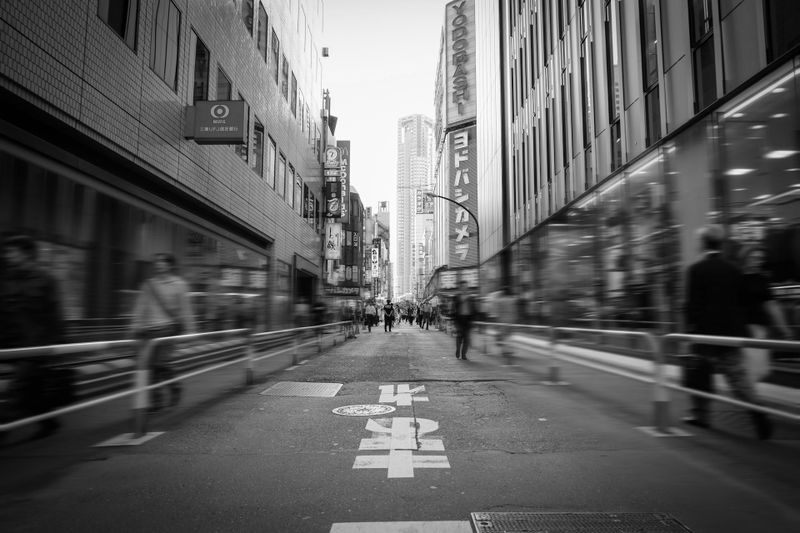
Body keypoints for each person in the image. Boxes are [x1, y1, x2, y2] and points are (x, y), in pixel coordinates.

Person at [683, 225, 772, 439]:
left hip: (705, 334)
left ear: (703, 244)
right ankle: (758, 415)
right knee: (738, 379)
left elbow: (692, 305)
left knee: (699, 375)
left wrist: (689, 331)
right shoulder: (734, 270)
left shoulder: (696, 270)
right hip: (730, 333)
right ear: (721, 244)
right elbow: (742, 302)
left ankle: (701, 415)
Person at [0, 234, 66, 439]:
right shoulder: (6, 279)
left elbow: (55, 314)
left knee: (18, 388)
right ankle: (49, 421)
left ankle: (3, 428)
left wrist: (56, 347)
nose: (7, 255)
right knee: (32, 389)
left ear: (27, 253)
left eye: (12, 251)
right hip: (9, 342)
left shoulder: (46, 279)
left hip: (35, 345)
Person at [130, 253, 196, 412]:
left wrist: (191, 331)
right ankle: (156, 401)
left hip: (168, 328)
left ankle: (174, 387)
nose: (159, 264)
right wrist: (134, 326)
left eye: (162, 262)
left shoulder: (179, 284)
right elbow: (140, 307)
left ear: (170, 265)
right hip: (148, 330)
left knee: (161, 363)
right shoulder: (149, 285)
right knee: (150, 366)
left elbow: (186, 309)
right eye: (157, 262)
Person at [740, 245, 793, 386]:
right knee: (753, 366)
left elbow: (772, 305)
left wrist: (784, 327)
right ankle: (750, 401)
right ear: (745, 258)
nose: (758, 261)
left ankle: (749, 397)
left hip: (759, 327)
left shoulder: (762, 280)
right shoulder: (738, 278)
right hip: (744, 328)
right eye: (755, 257)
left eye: (760, 258)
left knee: (761, 369)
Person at [451, 280, 476, 360]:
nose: (465, 288)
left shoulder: (471, 298)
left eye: (466, 286)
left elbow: (474, 309)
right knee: (459, 337)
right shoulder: (456, 297)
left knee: (467, 339)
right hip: (459, 319)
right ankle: (458, 350)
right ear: (460, 287)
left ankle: (464, 354)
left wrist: (473, 320)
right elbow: (453, 310)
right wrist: (454, 321)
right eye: (463, 286)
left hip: (468, 320)